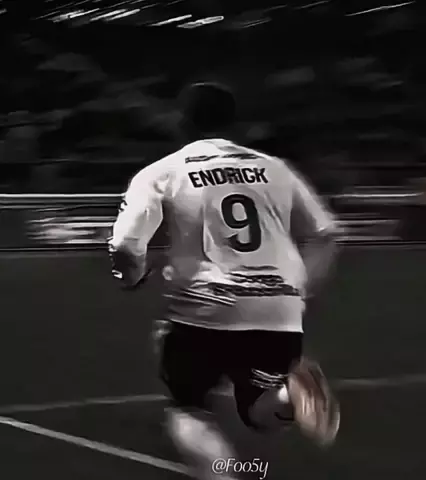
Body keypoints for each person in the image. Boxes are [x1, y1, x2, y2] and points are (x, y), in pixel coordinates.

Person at [108, 82, 340, 480]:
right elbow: (326, 235)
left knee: (189, 409)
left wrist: (130, 277)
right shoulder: (275, 168)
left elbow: (126, 245)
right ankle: (289, 392)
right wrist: (298, 291)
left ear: (182, 121)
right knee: (260, 413)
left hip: (203, 308)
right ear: (234, 123)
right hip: (277, 310)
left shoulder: (162, 172)